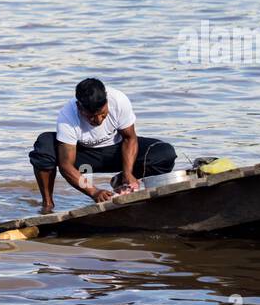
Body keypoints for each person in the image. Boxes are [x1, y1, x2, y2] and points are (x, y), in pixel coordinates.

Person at [29, 77, 176, 212]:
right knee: (44, 146)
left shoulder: (118, 100)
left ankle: (121, 181)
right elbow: (66, 165)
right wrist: (94, 192)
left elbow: (129, 138)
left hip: (117, 151)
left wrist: (128, 172)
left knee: (164, 153)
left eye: (103, 114)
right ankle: (48, 204)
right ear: (79, 108)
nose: (98, 120)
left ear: (106, 102)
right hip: (84, 158)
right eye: (91, 117)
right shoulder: (67, 116)